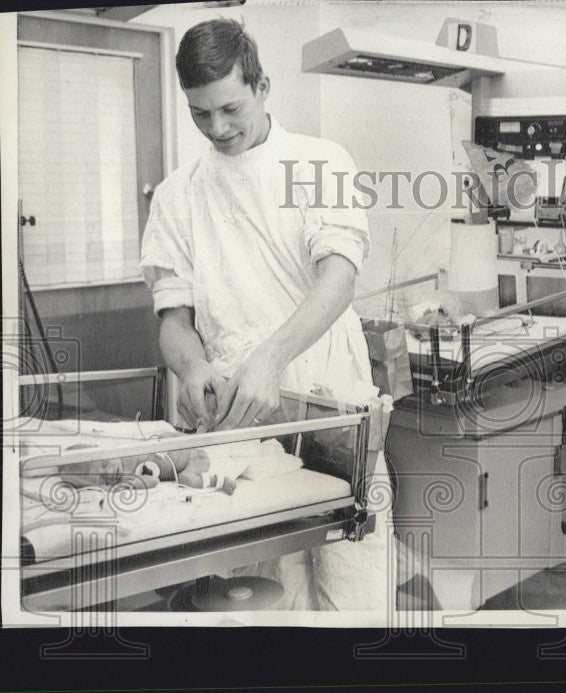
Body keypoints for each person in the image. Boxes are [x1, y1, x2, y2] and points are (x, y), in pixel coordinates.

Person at [140, 18, 391, 612]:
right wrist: (193, 365)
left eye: (229, 108)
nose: (217, 128)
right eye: (201, 114)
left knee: (353, 587)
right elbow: (173, 318)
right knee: (262, 594)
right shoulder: (180, 194)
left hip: (330, 405)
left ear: (262, 86)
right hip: (239, 415)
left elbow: (339, 278)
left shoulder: (320, 163)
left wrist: (271, 359)